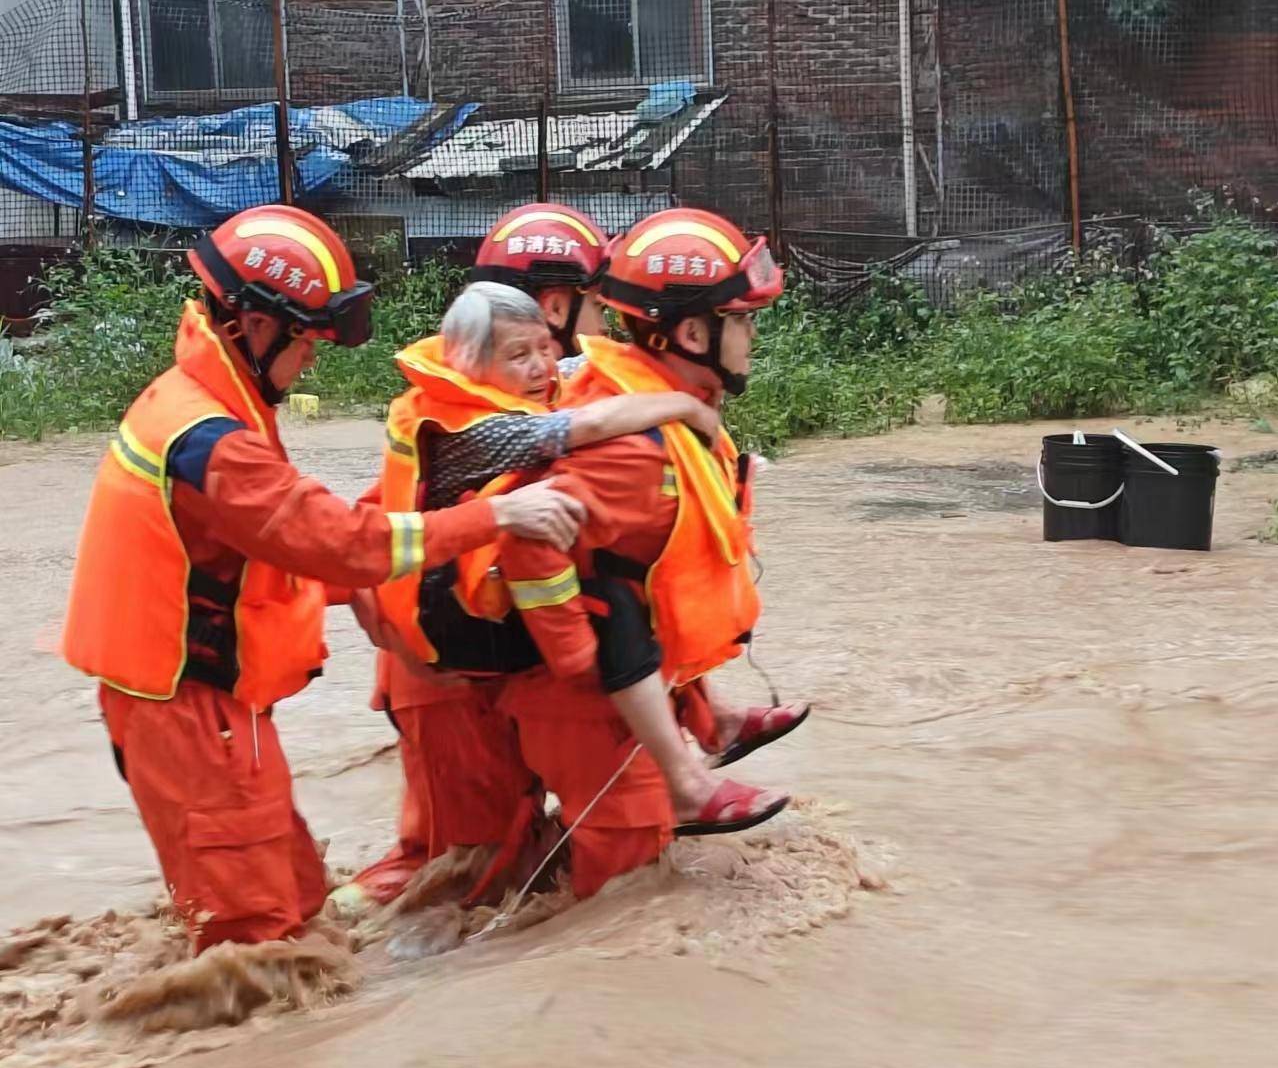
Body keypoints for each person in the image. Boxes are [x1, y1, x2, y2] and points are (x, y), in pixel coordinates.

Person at [60, 205, 583, 953]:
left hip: (195, 704)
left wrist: (368, 581)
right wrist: (495, 520)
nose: (310, 362)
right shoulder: (215, 443)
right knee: (260, 943)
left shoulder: (198, 403)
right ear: (252, 325)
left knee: (299, 904)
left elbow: (272, 548)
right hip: (187, 712)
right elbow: (335, 541)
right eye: (303, 342)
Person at [343, 278, 782, 912]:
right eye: (520, 355)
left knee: (506, 853)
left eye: (545, 349)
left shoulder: (517, 386)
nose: (543, 364)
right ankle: (365, 939)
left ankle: (708, 727)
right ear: (471, 361)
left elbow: (598, 365)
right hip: (449, 664)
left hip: (481, 644)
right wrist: (688, 409)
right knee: (463, 860)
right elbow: (583, 428)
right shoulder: (471, 430)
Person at [495, 207, 807, 900]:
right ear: (693, 333)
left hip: (627, 696)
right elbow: (526, 542)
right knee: (619, 911)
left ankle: (706, 730)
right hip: (587, 711)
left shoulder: (657, 403)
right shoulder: (635, 452)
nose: (752, 335)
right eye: (743, 319)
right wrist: (583, 661)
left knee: (569, 885)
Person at [465, 202, 608, 360]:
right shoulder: (582, 382)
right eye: (598, 308)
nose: (605, 327)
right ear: (555, 308)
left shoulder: (457, 370)